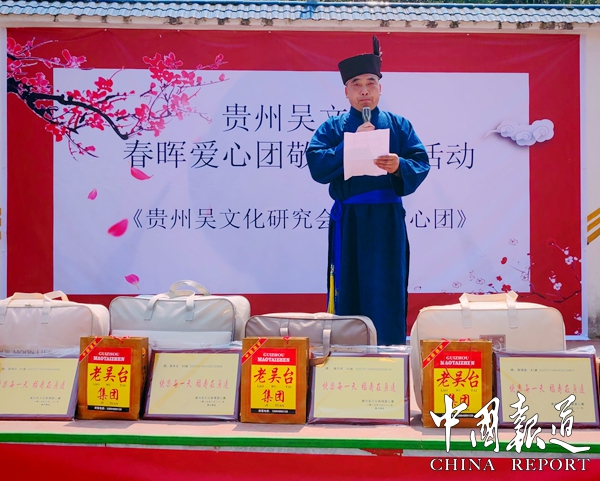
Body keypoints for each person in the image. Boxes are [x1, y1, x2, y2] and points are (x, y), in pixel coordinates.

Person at [306, 36, 430, 345]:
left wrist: (399, 165)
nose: (364, 90)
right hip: (349, 221)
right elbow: (317, 164)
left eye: (371, 83)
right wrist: (349, 147)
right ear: (346, 92)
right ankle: (346, 353)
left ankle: (388, 350)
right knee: (348, 285)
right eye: (357, 84)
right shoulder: (333, 128)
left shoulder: (399, 125)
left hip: (387, 221)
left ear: (380, 89)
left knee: (386, 286)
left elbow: (420, 162)